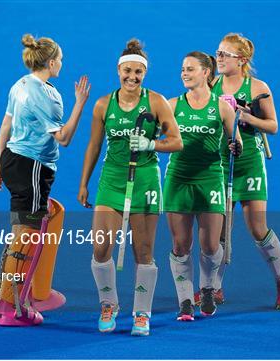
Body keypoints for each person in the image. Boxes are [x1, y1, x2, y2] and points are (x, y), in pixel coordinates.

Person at [78, 39, 182, 336]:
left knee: (144, 251)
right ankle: (108, 304)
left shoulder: (157, 102)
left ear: (144, 73)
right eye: (127, 71)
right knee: (101, 247)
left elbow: (176, 141)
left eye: (138, 72)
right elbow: (94, 146)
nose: (132, 77)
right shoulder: (102, 104)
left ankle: (141, 313)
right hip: (111, 182)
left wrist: (151, 143)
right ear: (118, 70)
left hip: (146, 181)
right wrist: (84, 182)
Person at [0, 33, 91, 326]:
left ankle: (18, 294)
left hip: (13, 160)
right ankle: (11, 308)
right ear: (51, 61)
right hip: (33, 167)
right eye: (60, 59)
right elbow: (65, 138)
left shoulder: (20, 83)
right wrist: (79, 103)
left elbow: (6, 124)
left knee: (30, 225)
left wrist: (1, 162)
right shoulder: (45, 96)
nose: (62, 64)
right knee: (27, 234)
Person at [205, 33, 280, 310]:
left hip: (249, 161)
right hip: (220, 161)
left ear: (241, 60)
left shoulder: (256, 87)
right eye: (217, 53)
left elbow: (273, 125)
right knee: (219, 229)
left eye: (224, 54)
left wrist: (245, 116)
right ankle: (213, 288)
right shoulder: (211, 85)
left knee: (257, 227)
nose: (218, 58)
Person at [165, 51, 242, 321]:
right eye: (182, 69)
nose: (184, 73)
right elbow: (156, 135)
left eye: (190, 69)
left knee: (210, 245)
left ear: (206, 73)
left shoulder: (222, 107)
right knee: (180, 244)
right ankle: (185, 301)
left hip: (210, 178)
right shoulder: (173, 104)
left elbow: (237, 140)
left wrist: (236, 146)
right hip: (179, 178)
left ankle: (207, 288)